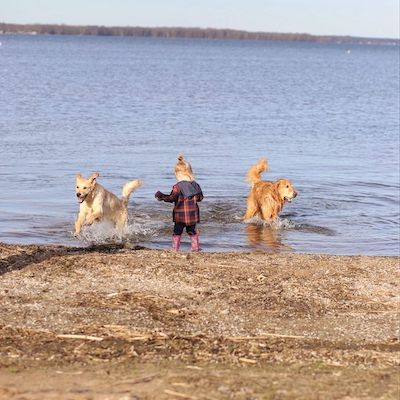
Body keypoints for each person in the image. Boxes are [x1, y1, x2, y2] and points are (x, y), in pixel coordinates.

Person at [155, 155, 204, 251]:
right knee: (192, 231)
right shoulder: (196, 185)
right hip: (192, 215)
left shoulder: (177, 186)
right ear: (190, 172)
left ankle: (175, 248)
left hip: (180, 216)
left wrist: (161, 197)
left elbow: (172, 198)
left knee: (177, 232)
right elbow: (200, 198)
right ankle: (195, 248)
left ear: (177, 174)